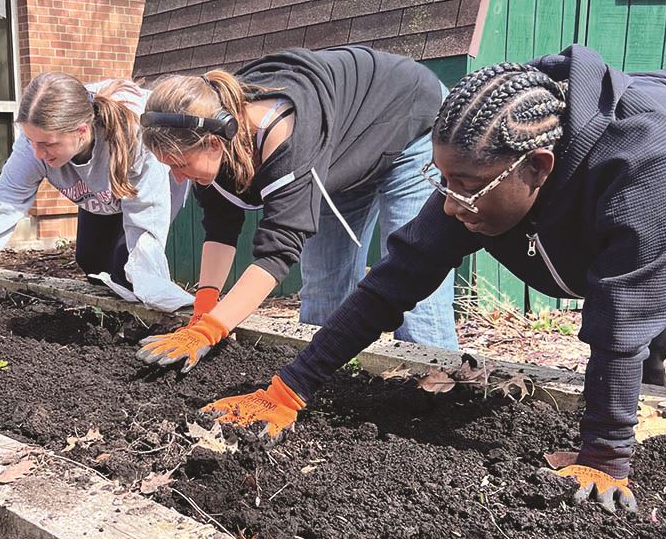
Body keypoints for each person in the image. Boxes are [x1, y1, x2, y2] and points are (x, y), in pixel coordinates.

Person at [200, 45, 666, 512]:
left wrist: (603, 456)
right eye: (443, 180)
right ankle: (644, 397)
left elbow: (621, 318)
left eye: (467, 188)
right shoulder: (484, 160)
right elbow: (394, 281)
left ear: (538, 169)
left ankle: (640, 417)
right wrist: (288, 389)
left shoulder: (646, 169)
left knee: (641, 322)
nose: (452, 204)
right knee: (639, 343)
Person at [135, 45, 459, 372]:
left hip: (409, 119)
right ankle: (326, 387)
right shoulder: (216, 133)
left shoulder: (285, 134)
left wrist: (210, 331)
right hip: (340, 151)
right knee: (322, 299)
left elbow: (278, 252)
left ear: (214, 144)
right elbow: (220, 226)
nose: (177, 177)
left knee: (414, 285)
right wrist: (203, 311)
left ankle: (435, 391)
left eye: (179, 164)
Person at [0, 73, 191, 342]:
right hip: (100, 196)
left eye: (47, 144)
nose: (37, 154)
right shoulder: (36, 144)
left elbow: (145, 223)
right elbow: (0, 205)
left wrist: (161, 297)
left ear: (82, 131)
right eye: (30, 141)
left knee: (129, 273)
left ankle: (149, 324)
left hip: (143, 194)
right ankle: (111, 315)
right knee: (91, 263)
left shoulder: (137, 134)